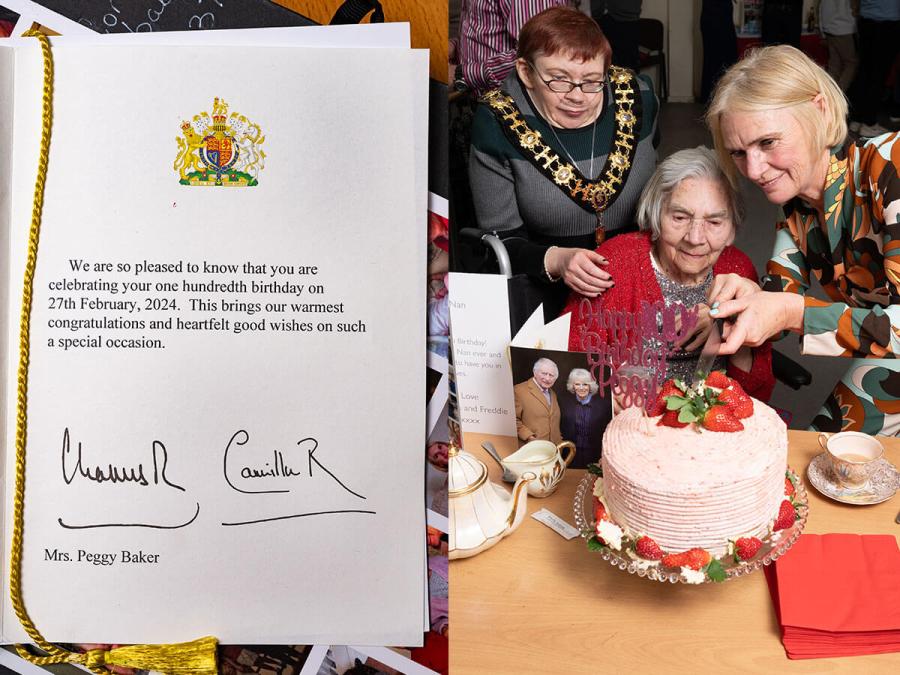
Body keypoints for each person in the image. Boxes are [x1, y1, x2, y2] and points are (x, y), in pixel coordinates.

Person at [705, 44, 900, 434]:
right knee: (823, 454)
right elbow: (777, 298)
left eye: (768, 142)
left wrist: (795, 313)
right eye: (739, 152)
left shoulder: (891, 166)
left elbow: (791, 311)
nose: (755, 170)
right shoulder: (796, 202)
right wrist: (747, 296)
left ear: (819, 109)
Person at [469, 6, 658, 319]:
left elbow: (660, 185)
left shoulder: (638, 97)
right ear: (526, 72)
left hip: (637, 283)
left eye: (592, 80)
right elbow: (500, 243)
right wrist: (556, 260)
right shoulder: (497, 120)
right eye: (558, 79)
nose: (578, 96)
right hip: (545, 294)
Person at [564, 146, 775, 401]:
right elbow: (571, 364)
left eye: (715, 222)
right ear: (656, 215)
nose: (695, 238)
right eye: (679, 217)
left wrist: (728, 325)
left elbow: (757, 392)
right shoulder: (615, 263)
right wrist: (606, 397)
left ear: (732, 229)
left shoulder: (739, 270)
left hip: (712, 424)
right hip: (633, 424)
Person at [450, 0, 575, 95]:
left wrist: (463, 74)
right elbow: (491, 27)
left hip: (516, 111)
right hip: (490, 104)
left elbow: (541, 55)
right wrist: (457, 47)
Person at [559, 367, 611, 467]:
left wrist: (604, 455)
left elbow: (608, 432)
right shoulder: (564, 403)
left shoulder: (604, 405)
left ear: (590, 386)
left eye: (585, 384)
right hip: (570, 454)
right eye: (577, 384)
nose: (581, 388)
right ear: (572, 386)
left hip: (595, 454)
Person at [514, 357, 563, 443]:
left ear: (555, 378)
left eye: (551, 375)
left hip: (553, 449)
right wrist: (529, 437)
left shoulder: (553, 394)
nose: (547, 378)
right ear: (535, 372)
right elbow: (512, 420)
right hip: (532, 449)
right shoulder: (518, 390)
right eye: (544, 373)